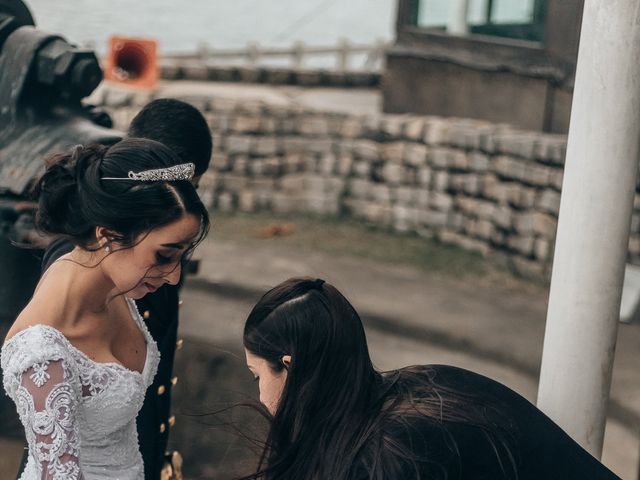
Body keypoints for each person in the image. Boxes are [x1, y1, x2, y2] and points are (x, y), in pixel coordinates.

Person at [241, 277, 621, 480]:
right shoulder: (416, 386)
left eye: (257, 375)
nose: (260, 395)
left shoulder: (395, 452)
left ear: (290, 367)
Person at [1, 138, 210, 479]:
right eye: (164, 256)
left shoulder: (111, 285)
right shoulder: (41, 351)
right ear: (108, 236)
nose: (173, 277)